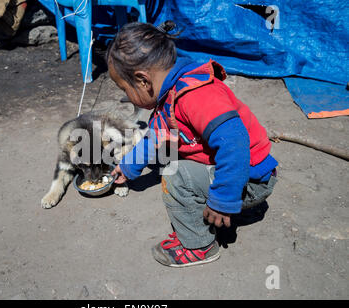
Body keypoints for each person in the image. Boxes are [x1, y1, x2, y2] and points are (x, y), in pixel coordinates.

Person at [107, 21, 278, 267]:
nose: (126, 96)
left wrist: (223, 200)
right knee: (172, 155)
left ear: (143, 80)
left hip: (252, 180)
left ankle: (198, 246)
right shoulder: (171, 92)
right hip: (241, 174)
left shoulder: (194, 95)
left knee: (175, 175)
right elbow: (154, 137)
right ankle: (224, 201)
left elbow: (234, 142)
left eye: (124, 88)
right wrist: (127, 168)